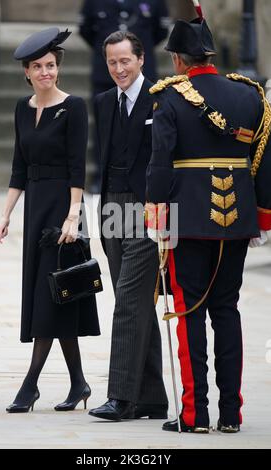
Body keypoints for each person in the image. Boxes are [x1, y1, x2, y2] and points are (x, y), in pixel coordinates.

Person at [146, 18, 271, 433]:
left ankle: (195, 413)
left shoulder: (169, 97)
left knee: (188, 313)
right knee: (226, 310)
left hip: (188, 219)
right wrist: (263, 217)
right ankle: (231, 416)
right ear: (211, 57)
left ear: (178, 59)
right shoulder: (250, 95)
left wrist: (157, 217)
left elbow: (160, 164)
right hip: (237, 219)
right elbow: (263, 163)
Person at [0, 27, 100, 413]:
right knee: (57, 296)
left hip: (63, 210)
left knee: (48, 296)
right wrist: (5, 214)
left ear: (59, 68)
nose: (45, 72)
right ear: (26, 72)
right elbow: (19, 166)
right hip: (36, 207)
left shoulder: (74, 107)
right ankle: (79, 384)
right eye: (37, 67)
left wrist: (73, 216)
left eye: (51, 65)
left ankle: (30, 385)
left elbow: (78, 167)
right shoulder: (23, 108)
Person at [88, 31, 168, 422]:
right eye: (111, 62)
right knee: (137, 303)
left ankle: (120, 398)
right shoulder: (103, 102)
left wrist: (167, 218)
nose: (118, 69)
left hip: (148, 212)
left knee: (127, 302)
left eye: (125, 61)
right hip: (111, 209)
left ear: (140, 59)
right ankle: (151, 397)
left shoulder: (162, 99)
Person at [78, 0, 170, 193]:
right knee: (104, 129)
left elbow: (160, 32)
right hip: (105, 77)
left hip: (141, 75)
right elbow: (86, 29)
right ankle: (100, 177)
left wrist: (132, 59)